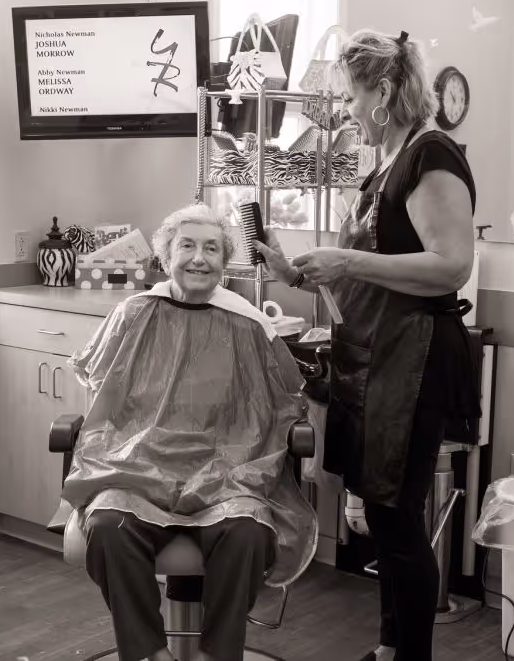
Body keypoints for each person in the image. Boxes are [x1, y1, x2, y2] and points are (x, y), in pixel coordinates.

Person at [254, 29, 480, 661]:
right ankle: (388, 648)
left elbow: (450, 265)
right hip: (374, 356)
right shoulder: (386, 163)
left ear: (382, 91)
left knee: (399, 517)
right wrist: (295, 273)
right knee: (381, 514)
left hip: (413, 360)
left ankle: (410, 656)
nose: (348, 113)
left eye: (352, 98)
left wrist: (347, 261)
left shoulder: (430, 156)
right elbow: (374, 264)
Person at [51, 204, 317, 661]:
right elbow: (102, 398)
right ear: (165, 256)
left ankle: (218, 653)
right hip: (136, 465)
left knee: (247, 534)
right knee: (109, 528)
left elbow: (281, 402)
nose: (199, 258)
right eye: (186, 246)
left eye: (211, 248)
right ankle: (148, 652)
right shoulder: (133, 314)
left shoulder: (251, 325)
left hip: (229, 473)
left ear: (224, 259)